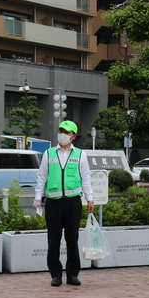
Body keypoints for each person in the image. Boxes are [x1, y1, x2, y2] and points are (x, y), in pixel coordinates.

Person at [33, 121, 94, 287]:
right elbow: (42, 176)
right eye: (61, 131)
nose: (62, 134)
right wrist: (38, 197)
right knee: (53, 239)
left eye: (66, 132)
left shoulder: (80, 155)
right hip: (53, 202)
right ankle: (56, 275)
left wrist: (90, 198)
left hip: (73, 201)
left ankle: (73, 275)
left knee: (72, 239)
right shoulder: (49, 153)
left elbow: (86, 178)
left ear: (73, 136)